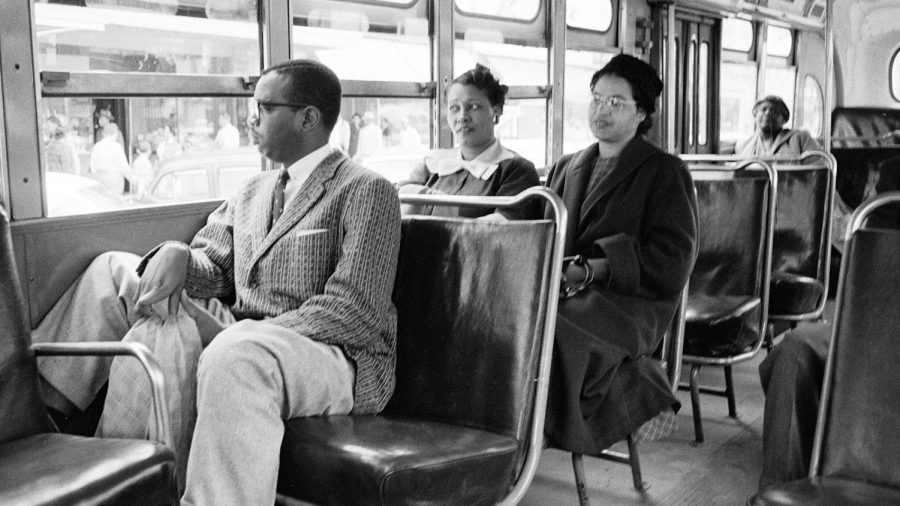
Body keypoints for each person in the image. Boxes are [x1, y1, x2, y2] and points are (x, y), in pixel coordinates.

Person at [31, 59, 401, 505]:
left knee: (233, 355)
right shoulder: (252, 190)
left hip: (332, 354)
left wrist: (243, 332)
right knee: (118, 275)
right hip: (246, 328)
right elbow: (219, 266)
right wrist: (181, 258)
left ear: (308, 117)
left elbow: (354, 311)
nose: (250, 119)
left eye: (264, 108)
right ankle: (35, 414)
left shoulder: (367, 190)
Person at [542, 54, 698, 455]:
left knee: (550, 327)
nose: (601, 110)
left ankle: (540, 427)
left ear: (642, 112)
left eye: (616, 102)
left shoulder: (666, 172)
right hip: (567, 290)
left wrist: (593, 269)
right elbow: (540, 229)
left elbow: (672, 259)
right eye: (596, 98)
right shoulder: (566, 166)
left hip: (629, 302)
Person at [397, 64, 541, 220]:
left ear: (496, 111)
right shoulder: (431, 165)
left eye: (473, 106)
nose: (462, 117)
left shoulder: (516, 170)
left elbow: (502, 232)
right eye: (454, 108)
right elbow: (396, 209)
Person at [736, 95, 819, 156]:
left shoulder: (801, 138)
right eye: (763, 109)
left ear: (784, 119)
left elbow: (815, 171)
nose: (768, 113)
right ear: (755, 117)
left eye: (774, 111)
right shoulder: (744, 145)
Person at [90, 123, 134, 194]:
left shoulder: (96, 146)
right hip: (114, 179)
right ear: (115, 134)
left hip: (100, 177)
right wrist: (133, 180)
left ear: (104, 134)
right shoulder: (116, 147)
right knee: (115, 201)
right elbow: (123, 166)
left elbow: (93, 165)